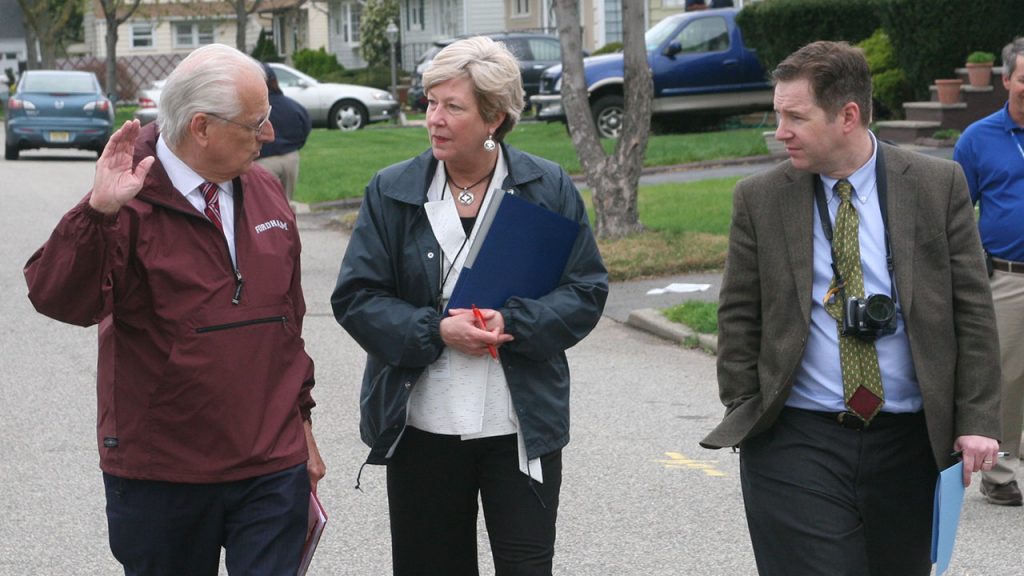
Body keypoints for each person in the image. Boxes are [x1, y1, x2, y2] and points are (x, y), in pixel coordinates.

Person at [700, 40, 1002, 575]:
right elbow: (738, 315)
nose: (780, 130)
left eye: (795, 116)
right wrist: (746, 404)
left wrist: (976, 419)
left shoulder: (936, 185)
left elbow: (971, 311)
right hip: (798, 436)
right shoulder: (760, 198)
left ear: (848, 115)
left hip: (909, 442)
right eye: (778, 114)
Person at [24, 43, 325, 575]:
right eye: (255, 124)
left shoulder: (265, 190)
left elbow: (288, 324)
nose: (270, 136)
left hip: (271, 466)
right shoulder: (124, 200)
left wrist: (302, 431)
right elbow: (59, 298)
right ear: (202, 127)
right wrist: (97, 214)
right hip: (164, 471)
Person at [331, 36, 607, 576]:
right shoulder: (391, 190)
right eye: (431, 102)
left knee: (527, 566)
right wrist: (435, 331)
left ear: (494, 118)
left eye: (453, 106)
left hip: (519, 425)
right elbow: (356, 298)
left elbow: (586, 290)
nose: (434, 118)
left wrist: (516, 322)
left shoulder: (545, 186)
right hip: (422, 428)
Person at [952, 37, 1024, 507]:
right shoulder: (978, 138)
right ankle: (999, 474)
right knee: (1006, 376)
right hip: (1006, 278)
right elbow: (953, 214)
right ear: (1007, 80)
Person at [255, 61, 312, 203]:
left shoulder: (255, 109)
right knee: (285, 203)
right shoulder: (293, 105)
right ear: (275, 81)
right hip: (291, 159)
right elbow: (306, 127)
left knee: (264, 207)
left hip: (262, 162)